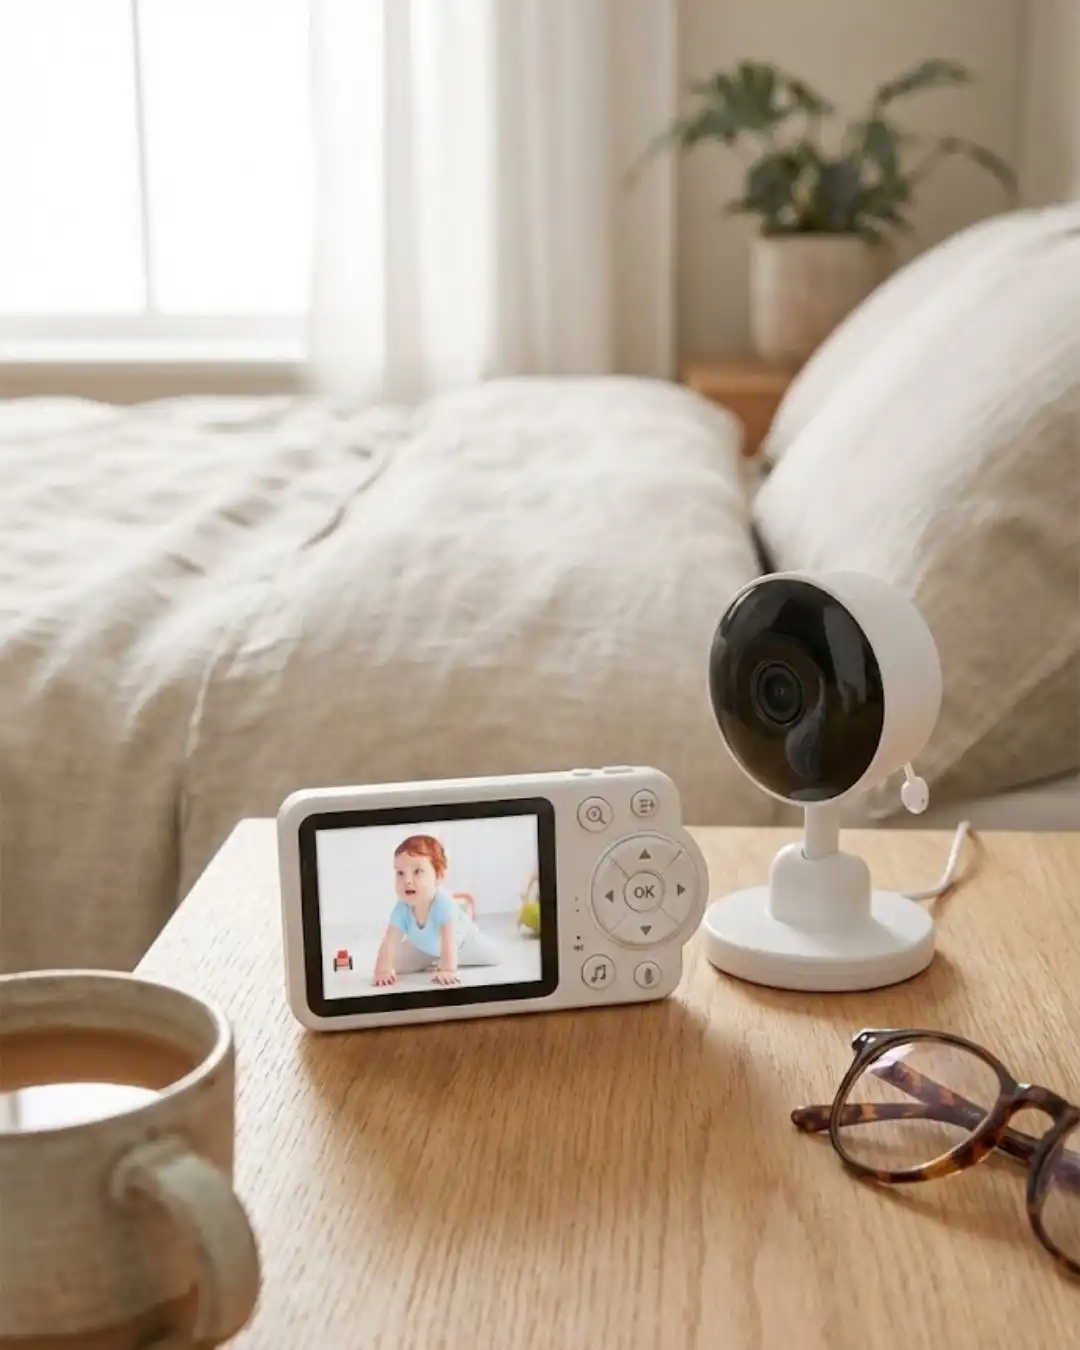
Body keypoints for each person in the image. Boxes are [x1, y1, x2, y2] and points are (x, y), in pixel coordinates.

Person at [373, 834, 502, 987]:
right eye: (400, 873)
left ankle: (445, 960)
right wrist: (383, 970)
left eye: (417, 872)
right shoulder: (402, 907)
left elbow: (449, 941)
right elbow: (389, 941)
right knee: (394, 963)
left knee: (495, 956)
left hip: (462, 945)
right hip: (426, 948)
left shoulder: (442, 902)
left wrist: (447, 969)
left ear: (438, 876)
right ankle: (435, 959)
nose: (407, 881)